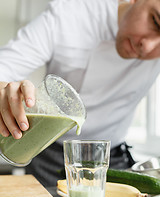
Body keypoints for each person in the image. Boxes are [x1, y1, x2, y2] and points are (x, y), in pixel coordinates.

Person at [0, 0, 160, 187]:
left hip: (112, 162)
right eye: (155, 22)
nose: (148, 47)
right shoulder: (71, 14)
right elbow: (6, 64)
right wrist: (3, 89)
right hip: (48, 155)